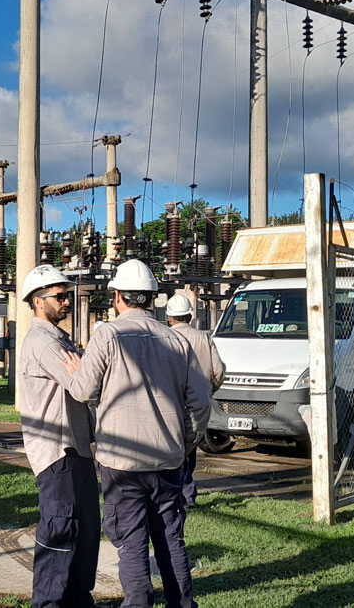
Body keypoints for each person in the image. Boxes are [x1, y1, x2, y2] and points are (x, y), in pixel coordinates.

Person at [61, 260, 211, 608]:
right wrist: (184, 442)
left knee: (132, 542)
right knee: (171, 539)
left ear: (117, 296)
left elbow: (83, 391)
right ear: (153, 298)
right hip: (168, 460)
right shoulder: (177, 340)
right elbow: (201, 403)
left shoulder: (108, 335)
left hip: (122, 463)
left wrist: (77, 370)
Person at [17, 265, 100, 607]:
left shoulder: (60, 339)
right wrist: (87, 372)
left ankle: (77, 598)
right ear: (38, 302)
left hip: (76, 448)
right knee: (60, 529)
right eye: (60, 296)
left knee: (86, 529)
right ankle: (48, 602)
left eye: (67, 295)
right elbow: (84, 386)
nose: (67, 302)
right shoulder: (44, 342)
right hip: (57, 452)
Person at [165, 294, 226, 507]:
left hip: (171, 403)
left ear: (169, 317)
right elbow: (218, 372)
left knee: (171, 450)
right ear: (190, 316)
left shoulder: (164, 338)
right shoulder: (204, 338)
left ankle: (176, 493)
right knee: (190, 449)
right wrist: (207, 391)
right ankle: (187, 494)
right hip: (198, 405)